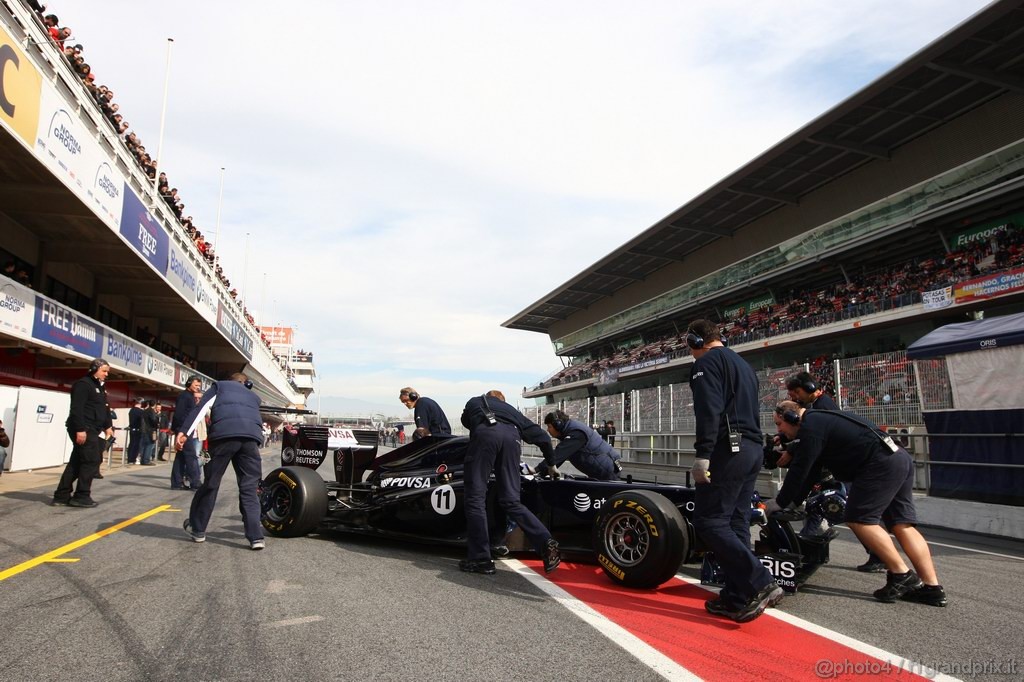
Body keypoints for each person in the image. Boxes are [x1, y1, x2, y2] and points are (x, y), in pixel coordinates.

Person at [768, 401, 947, 607]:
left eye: (779, 424)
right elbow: (812, 470)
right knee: (901, 524)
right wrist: (792, 501)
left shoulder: (811, 426)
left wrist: (780, 502)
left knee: (859, 519)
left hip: (879, 463)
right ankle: (932, 588)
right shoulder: (821, 421)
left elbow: (802, 468)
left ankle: (901, 574)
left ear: (792, 418)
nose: (778, 430)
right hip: (898, 457)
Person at [686, 319, 782, 622]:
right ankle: (737, 596)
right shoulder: (742, 364)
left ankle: (760, 582)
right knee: (737, 521)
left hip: (728, 448)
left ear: (695, 340)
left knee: (710, 522)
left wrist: (703, 454)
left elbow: (708, 410)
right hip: (752, 448)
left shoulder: (706, 363)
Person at [784, 371, 884, 573]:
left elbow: (818, 444)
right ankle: (876, 554)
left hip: (844, 468)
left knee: (853, 514)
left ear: (809, 389)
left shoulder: (822, 409)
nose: (794, 397)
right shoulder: (818, 406)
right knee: (848, 514)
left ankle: (877, 554)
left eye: (796, 392)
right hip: (843, 466)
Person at [459, 390, 560, 575]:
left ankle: (481, 559)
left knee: (475, 499)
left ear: (489, 396)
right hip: (512, 440)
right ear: (503, 401)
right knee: (511, 501)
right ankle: (545, 541)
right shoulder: (513, 412)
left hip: (485, 435)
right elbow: (544, 438)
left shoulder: (475, 401)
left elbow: (466, 422)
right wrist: (551, 464)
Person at [176, 373, 266, 550]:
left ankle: (198, 529)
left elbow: (200, 409)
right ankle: (256, 536)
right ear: (246, 383)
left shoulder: (219, 386)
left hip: (223, 438)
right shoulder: (254, 396)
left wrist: (184, 432)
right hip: (250, 441)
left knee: (211, 482)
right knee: (249, 487)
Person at [53, 359, 114, 507]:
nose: (106, 374)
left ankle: (61, 495)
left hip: (93, 428)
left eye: (107, 372)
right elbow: (76, 409)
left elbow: (104, 409)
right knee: (91, 460)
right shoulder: (83, 385)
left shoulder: (99, 386)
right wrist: (80, 430)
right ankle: (81, 496)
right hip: (84, 428)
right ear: (94, 369)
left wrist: (108, 426)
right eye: (104, 371)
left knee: (77, 461)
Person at [536, 410, 621, 480]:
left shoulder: (576, 433)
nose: (548, 430)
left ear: (558, 425)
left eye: (549, 426)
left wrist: (537, 470)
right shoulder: (569, 431)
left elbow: (559, 454)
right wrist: (543, 472)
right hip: (600, 470)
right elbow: (558, 459)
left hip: (607, 469)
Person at [171, 377, 203, 490]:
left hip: (185, 430)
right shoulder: (185, 396)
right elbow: (178, 415)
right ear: (189, 383)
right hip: (184, 431)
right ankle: (196, 482)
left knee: (181, 457)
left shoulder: (189, 396)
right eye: (196, 385)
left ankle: (176, 482)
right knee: (191, 456)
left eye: (199, 386)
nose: (198, 388)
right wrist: (181, 431)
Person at [126, 397, 143, 464]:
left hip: (131, 429)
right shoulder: (140, 412)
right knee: (136, 445)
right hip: (138, 429)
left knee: (131, 444)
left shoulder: (131, 410)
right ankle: (133, 459)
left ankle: (129, 458)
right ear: (140, 403)